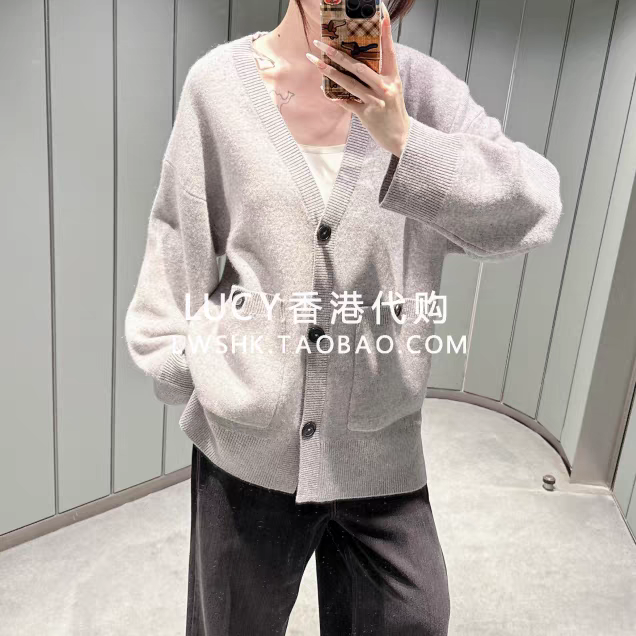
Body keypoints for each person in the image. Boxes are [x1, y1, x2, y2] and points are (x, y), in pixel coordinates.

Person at [124, 1, 563, 634]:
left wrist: (403, 138)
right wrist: (183, 362)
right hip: (247, 445)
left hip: (380, 447)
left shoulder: (421, 89)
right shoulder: (218, 86)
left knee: (416, 613)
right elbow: (177, 235)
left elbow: (535, 204)